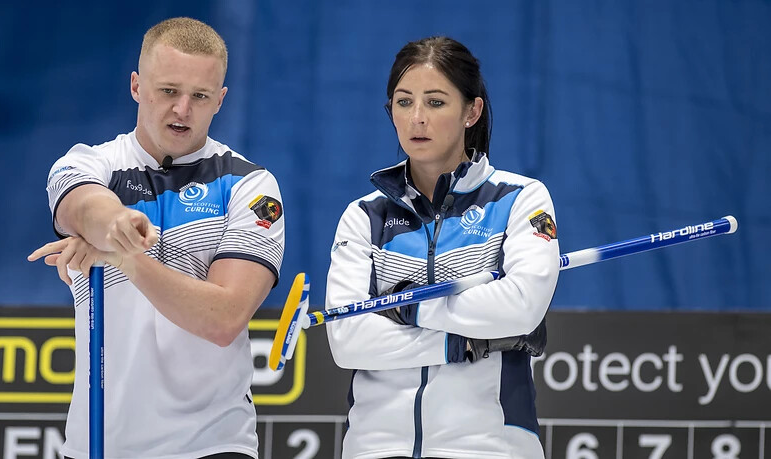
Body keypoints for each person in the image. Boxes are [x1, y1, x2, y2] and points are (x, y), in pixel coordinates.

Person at [28, 17, 284, 459]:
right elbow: (84, 206)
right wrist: (116, 226)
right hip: (96, 445)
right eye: (168, 91)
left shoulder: (251, 186)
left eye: (200, 96)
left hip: (213, 445)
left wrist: (124, 258)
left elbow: (222, 320)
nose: (183, 109)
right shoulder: (90, 162)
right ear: (135, 86)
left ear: (220, 100)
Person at [325, 36, 559, 459]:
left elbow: (522, 307)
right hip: (374, 447)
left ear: (472, 111)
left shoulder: (520, 198)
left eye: (435, 102)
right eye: (403, 102)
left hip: (492, 445)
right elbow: (347, 338)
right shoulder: (363, 216)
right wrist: (462, 344)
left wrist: (406, 307)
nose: (417, 119)